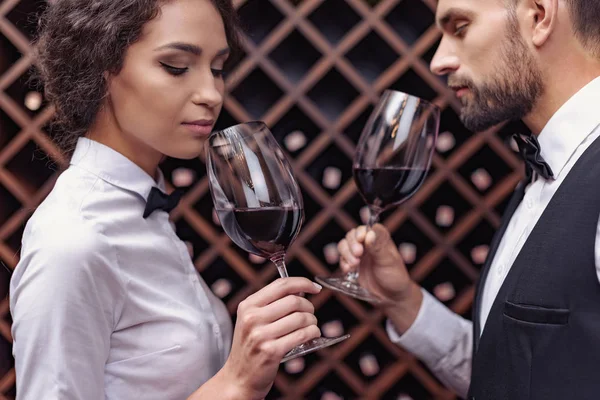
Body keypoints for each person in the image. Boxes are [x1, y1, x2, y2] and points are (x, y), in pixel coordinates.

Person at [9, 1, 323, 399]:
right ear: (100, 69)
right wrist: (236, 383)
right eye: (176, 67)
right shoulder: (73, 241)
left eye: (218, 69)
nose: (211, 94)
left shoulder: (143, 204)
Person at [337, 0, 600, 399]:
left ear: (539, 15)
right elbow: (514, 375)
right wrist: (403, 300)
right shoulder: (541, 174)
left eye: (459, 27)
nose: (438, 61)